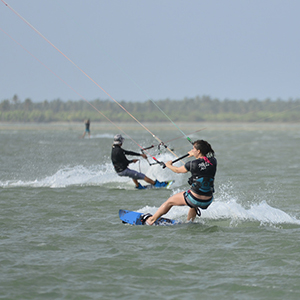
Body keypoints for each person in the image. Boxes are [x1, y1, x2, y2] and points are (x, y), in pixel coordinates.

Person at [144, 140, 217, 225]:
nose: (192, 150)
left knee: (169, 202)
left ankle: (151, 220)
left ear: (198, 151)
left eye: (193, 149)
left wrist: (168, 165)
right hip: (208, 200)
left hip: (194, 198)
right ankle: (189, 222)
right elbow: (203, 163)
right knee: (193, 205)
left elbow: (177, 170)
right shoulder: (213, 161)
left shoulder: (191, 164)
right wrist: (194, 154)